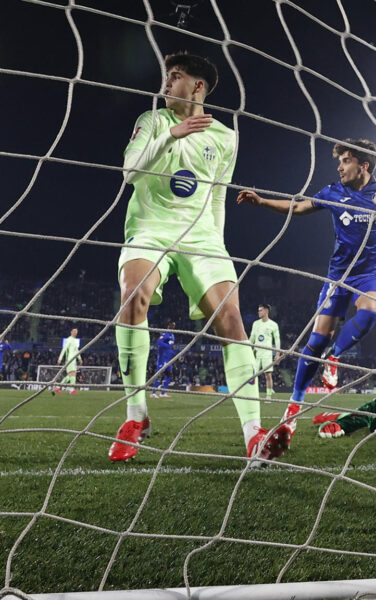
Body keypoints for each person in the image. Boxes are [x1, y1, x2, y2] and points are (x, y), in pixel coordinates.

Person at [110, 51, 285, 464]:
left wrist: (218, 247)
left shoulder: (225, 137)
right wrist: (174, 134)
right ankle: (136, 417)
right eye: (167, 77)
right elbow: (129, 173)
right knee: (133, 296)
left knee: (230, 320)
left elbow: (218, 197)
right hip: (151, 227)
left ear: (198, 86)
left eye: (175, 77)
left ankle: (253, 434)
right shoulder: (152, 122)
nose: (167, 84)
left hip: (202, 236)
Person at [237, 138, 376, 443]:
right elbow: (299, 206)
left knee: (370, 313)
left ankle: (335, 357)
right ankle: (293, 409)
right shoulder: (333, 192)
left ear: (363, 166)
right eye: (339, 161)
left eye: (346, 161)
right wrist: (261, 202)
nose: (339, 167)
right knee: (315, 342)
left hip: (371, 274)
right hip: (338, 276)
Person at [249, 303, 281, 399]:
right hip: (256, 353)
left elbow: (277, 339)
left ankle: (268, 396)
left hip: (267, 354)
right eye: (258, 310)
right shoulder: (255, 323)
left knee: (268, 375)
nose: (259, 312)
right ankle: (253, 396)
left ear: (266, 311)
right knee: (253, 376)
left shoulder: (273, 325)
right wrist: (247, 349)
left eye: (261, 310)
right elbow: (252, 338)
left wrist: (277, 354)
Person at [152, 321, 176, 398]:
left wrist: (173, 352)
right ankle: (153, 393)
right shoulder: (164, 334)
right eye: (172, 325)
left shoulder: (172, 335)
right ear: (169, 326)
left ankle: (163, 393)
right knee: (159, 375)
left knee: (169, 374)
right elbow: (159, 342)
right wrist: (168, 346)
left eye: (174, 326)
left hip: (168, 359)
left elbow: (171, 347)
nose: (173, 327)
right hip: (162, 359)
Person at [55, 327, 81, 395]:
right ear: (71, 332)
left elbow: (76, 351)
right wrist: (60, 358)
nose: (75, 332)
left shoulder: (75, 341)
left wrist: (80, 358)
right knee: (73, 374)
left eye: (76, 331)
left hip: (73, 360)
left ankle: (59, 387)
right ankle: (71, 390)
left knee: (71, 375)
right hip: (70, 359)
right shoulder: (69, 340)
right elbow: (64, 349)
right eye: (74, 331)